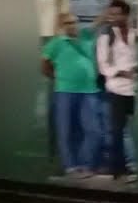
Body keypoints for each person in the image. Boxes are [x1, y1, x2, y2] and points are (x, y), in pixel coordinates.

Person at [41, 13, 102, 178]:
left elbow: (98, 21)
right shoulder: (56, 43)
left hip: (89, 91)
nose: (73, 26)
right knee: (66, 131)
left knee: (93, 130)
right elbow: (44, 65)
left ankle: (85, 164)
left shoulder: (86, 37)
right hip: (65, 92)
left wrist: (114, 2)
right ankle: (71, 167)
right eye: (68, 23)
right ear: (62, 26)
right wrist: (58, 77)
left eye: (75, 22)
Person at [96, 0, 138, 183]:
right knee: (117, 131)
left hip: (136, 89)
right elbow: (103, 65)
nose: (113, 17)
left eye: (117, 14)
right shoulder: (106, 37)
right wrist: (121, 72)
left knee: (134, 130)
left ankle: (134, 166)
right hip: (117, 89)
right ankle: (119, 170)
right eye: (111, 14)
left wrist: (137, 70)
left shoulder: (136, 34)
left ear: (126, 15)